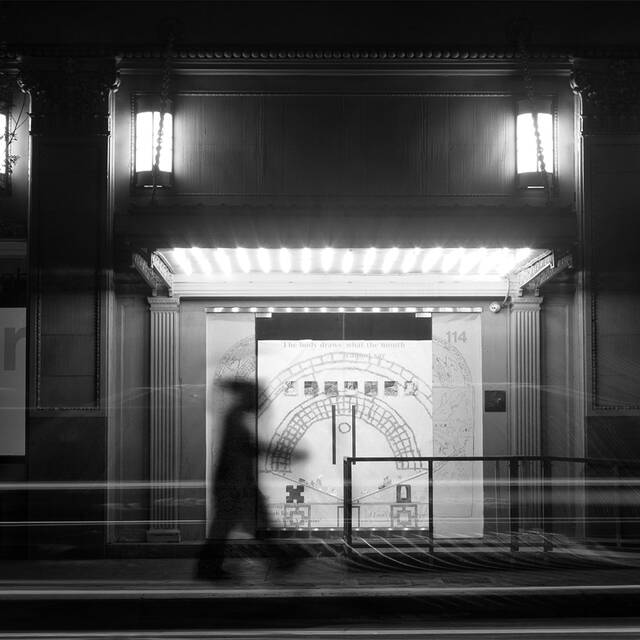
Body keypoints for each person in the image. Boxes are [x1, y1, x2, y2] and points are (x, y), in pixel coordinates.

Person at [196, 379, 301, 579]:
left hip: (236, 484)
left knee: (234, 526)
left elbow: (249, 449)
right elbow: (249, 450)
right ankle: (283, 558)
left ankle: (283, 558)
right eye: (258, 398)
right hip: (238, 485)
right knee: (238, 526)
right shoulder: (236, 419)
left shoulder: (235, 417)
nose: (262, 402)